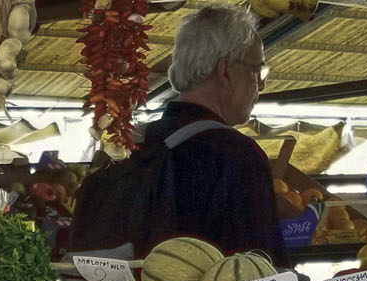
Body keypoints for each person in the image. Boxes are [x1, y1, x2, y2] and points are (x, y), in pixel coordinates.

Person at [67, 3, 283, 259]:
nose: (261, 85)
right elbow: (263, 267)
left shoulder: (131, 144)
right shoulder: (237, 156)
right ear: (225, 71)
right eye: (258, 71)